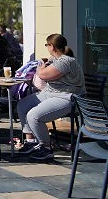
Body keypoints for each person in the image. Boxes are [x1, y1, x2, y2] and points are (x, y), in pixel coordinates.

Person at [16, 33, 85, 161]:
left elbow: (43, 75)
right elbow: (49, 65)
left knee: (33, 116)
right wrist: (45, 62)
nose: (47, 47)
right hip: (50, 93)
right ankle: (31, 142)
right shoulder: (56, 59)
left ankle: (46, 148)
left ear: (52, 46)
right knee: (22, 105)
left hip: (66, 97)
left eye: (47, 45)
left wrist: (40, 67)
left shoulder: (66, 61)